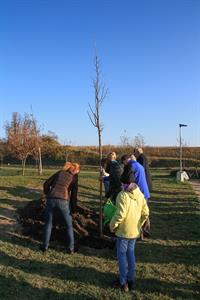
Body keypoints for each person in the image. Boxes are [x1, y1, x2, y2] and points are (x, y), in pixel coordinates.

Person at [109, 172, 149, 292]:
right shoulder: (140, 194)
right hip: (134, 231)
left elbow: (120, 214)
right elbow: (146, 212)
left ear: (125, 184)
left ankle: (123, 282)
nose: (121, 186)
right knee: (131, 254)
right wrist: (140, 224)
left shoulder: (122, 196)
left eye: (122, 184)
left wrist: (112, 226)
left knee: (121, 256)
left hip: (123, 231)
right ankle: (131, 280)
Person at [40, 162, 80, 253]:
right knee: (69, 225)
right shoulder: (74, 178)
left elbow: (46, 184)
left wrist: (48, 194)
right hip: (64, 201)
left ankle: (44, 247)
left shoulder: (59, 173)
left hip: (51, 200)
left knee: (48, 223)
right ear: (75, 170)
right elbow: (74, 195)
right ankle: (71, 248)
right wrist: (74, 210)